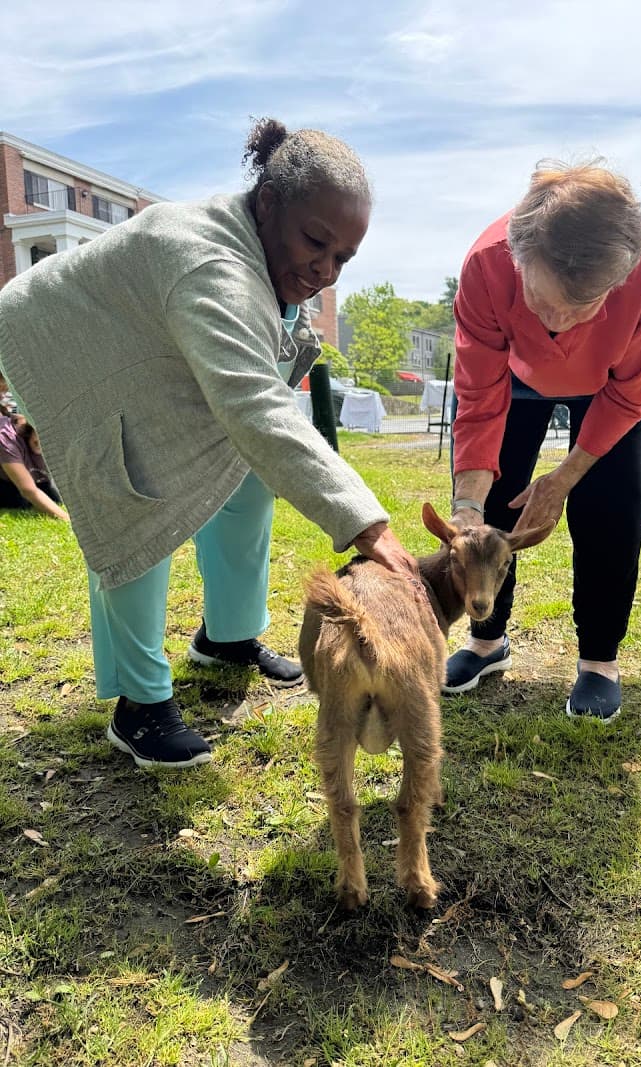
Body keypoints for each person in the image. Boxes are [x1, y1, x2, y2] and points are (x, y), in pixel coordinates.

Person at [0, 117, 418, 769]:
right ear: (271, 203)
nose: (326, 270)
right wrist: (372, 529)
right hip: (61, 348)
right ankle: (138, 704)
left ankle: (226, 635)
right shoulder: (209, 261)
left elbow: (259, 401)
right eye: (317, 243)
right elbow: (255, 405)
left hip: (144, 348)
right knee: (138, 485)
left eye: (343, 258)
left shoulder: (267, 255)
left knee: (245, 478)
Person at [444, 160, 641, 722]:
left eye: (582, 308)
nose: (561, 325)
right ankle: (485, 641)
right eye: (545, 304)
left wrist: (564, 479)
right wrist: (467, 504)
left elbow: (630, 395)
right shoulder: (486, 266)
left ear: (617, 282)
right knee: (495, 504)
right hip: (515, 377)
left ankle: (599, 660)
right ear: (518, 262)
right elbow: (479, 399)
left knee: (608, 510)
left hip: (612, 382)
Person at [0, 414, 69, 520]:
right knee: (22, 502)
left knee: (55, 499)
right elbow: (27, 489)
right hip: (6, 482)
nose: (43, 442)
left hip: (37, 478)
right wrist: (66, 519)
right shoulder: (7, 439)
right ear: (31, 427)